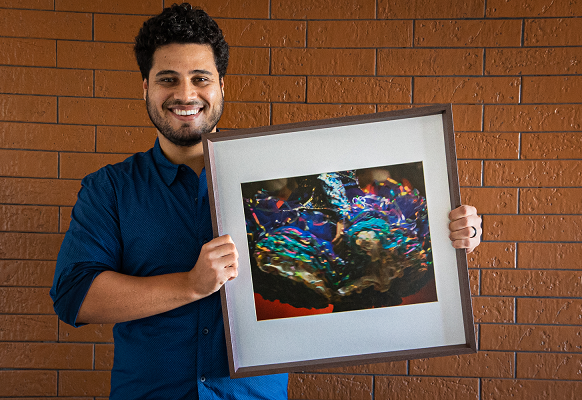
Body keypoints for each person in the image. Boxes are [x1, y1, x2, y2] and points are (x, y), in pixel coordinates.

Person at [50, 3, 482, 399]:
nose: (185, 94)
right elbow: (75, 296)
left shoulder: (284, 183)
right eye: (168, 79)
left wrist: (442, 237)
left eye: (200, 78)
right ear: (145, 87)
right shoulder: (109, 188)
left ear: (221, 86)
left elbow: (368, 240)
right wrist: (189, 285)